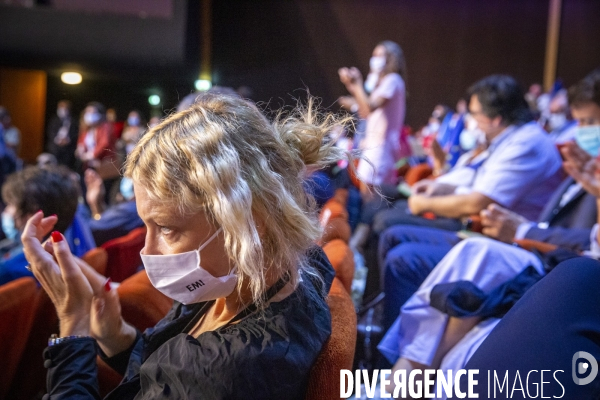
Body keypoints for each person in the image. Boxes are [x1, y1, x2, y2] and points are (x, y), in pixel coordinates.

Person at [23, 94, 347, 399]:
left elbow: (190, 376)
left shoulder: (223, 371)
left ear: (252, 219)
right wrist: (118, 337)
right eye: (145, 225)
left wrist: (72, 326)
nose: (147, 251)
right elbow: (166, 378)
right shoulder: (266, 276)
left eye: (166, 228)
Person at [338, 40, 407, 250]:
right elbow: (364, 106)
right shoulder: (382, 83)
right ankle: (360, 250)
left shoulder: (393, 80)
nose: (375, 59)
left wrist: (357, 84)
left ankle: (360, 250)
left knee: (373, 204)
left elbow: (367, 109)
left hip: (381, 151)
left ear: (391, 59)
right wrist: (353, 87)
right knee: (368, 201)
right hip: (373, 147)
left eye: (380, 55)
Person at [0, 166, 80, 285]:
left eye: (11, 204)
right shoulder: (72, 249)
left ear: (34, 215)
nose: (6, 211)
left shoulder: (9, 271)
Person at [75, 102, 116, 170]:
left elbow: (104, 143)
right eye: (87, 112)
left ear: (99, 115)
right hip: (89, 165)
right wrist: (80, 149)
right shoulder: (86, 128)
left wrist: (91, 155)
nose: (89, 114)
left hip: (103, 165)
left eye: (92, 112)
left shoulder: (105, 126)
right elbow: (81, 141)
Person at [46, 100, 79, 169]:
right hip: (55, 149)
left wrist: (68, 140)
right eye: (60, 107)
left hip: (68, 150)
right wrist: (58, 140)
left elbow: (76, 133)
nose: (62, 110)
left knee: (66, 167)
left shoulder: (73, 121)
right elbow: (51, 132)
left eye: (64, 108)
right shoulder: (54, 120)